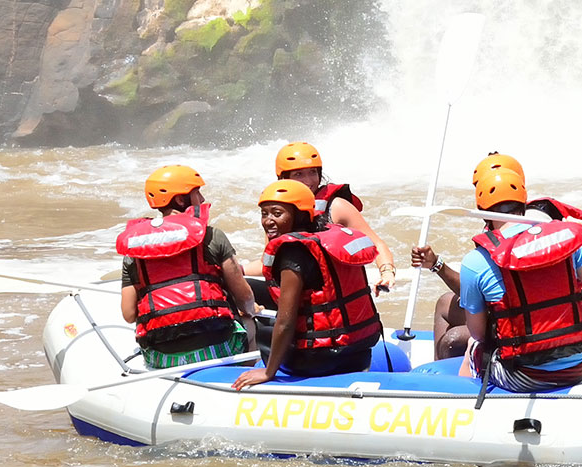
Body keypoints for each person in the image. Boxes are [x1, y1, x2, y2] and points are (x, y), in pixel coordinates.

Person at [409, 152, 582, 357]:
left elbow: (484, 314)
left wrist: (438, 266)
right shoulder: (522, 223)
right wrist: (436, 264)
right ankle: (438, 375)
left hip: (534, 325)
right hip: (535, 314)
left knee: (454, 340)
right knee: (445, 302)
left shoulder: (535, 225)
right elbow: (485, 284)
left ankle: (450, 381)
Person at [450, 168, 582, 392]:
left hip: (522, 376)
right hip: (578, 369)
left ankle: (463, 408)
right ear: (524, 203)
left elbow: (478, 333)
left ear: (482, 212)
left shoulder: (475, 261)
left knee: (473, 344)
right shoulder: (566, 238)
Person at [233, 180, 385, 389]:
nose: (268, 221)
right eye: (264, 214)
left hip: (318, 361)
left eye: (277, 214)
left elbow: (286, 322)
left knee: (266, 329)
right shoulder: (329, 238)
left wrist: (268, 372)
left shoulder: (292, 253)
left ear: (300, 215)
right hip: (359, 354)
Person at [115, 165, 258, 370]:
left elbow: (128, 314)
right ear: (180, 200)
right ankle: (243, 378)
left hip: (161, 356)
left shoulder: (135, 251)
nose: (201, 199)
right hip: (219, 347)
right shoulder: (212, 236)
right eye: (196, 192)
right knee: (249, 322)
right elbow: (245, 298)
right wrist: (251, 310)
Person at [274, 141, 396, 293]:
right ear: (284, 178)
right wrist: (238, 270)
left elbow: (377, 245)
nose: (308, 181)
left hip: (329, 296)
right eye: (299, 174)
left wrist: (387, 272)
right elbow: (266, 263)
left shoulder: (336, 206)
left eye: (313, 172)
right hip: (294, 291)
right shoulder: (277, 214)